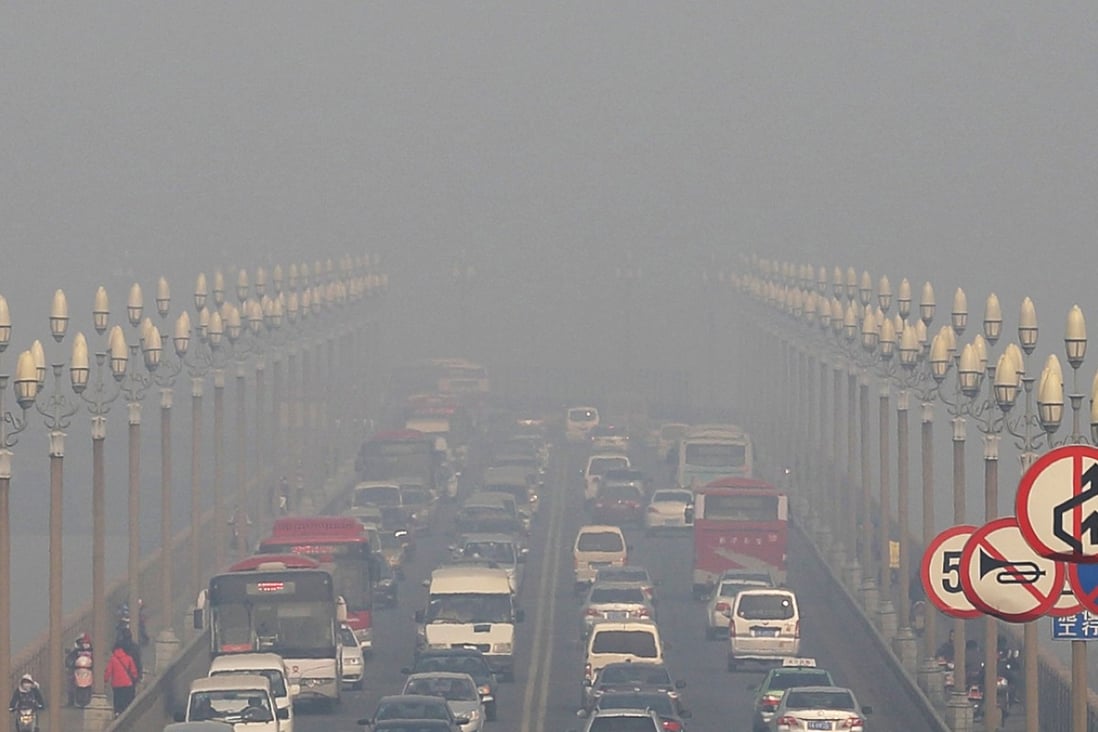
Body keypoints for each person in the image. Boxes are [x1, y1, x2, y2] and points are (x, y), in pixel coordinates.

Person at [104, 641, 139, 717]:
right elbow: (133, 671)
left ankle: (117, 712)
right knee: (126, 699)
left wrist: (105, 680)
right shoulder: (129, 658)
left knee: (117, 699)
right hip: (127, 683)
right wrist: (135, 678)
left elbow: (108, 671)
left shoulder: (113, 660)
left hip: (116, 684)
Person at [65, 633, 94, 706]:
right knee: (71, 682)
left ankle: (71, 701)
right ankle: (71, 701)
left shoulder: (88, 650)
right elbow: (70, 659)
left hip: (86, 670)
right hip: (78, 670)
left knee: (70, 683)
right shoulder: (77, 651)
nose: (85, 644)